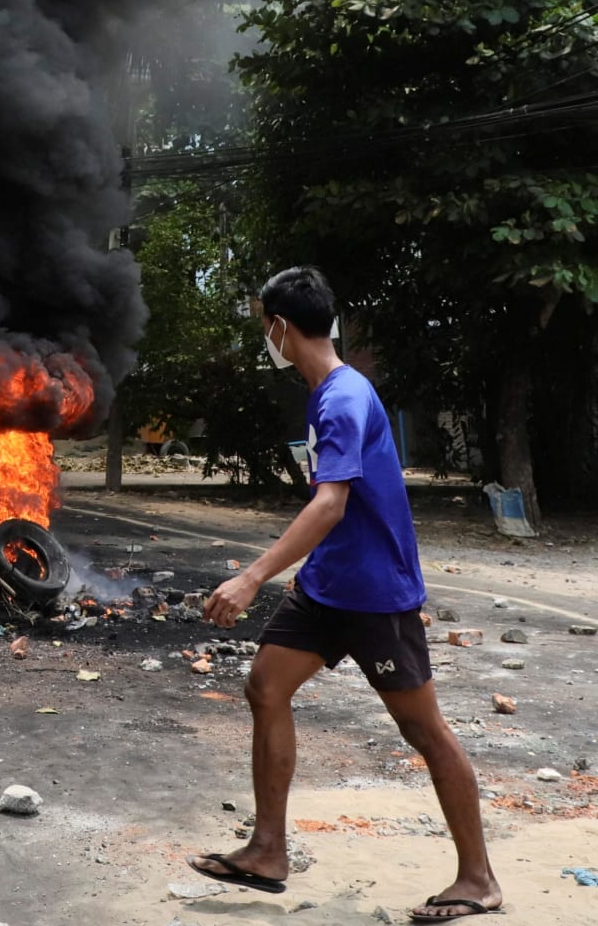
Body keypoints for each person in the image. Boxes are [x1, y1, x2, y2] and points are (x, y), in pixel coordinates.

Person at [190, 267, 501, 922]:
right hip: (328, 586)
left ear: (279, 326)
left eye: (261, 324)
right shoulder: (328, 392)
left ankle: (478, 879)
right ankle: (268, 852)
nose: (263, 336)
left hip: (376, 594)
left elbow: (329, 505)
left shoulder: (341, 399)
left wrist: (251, 577)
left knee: (423, 729)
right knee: (265, 686)